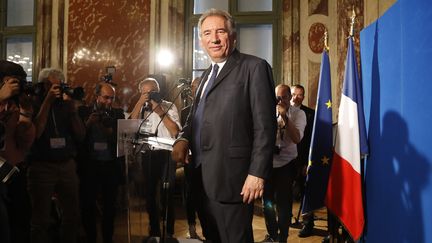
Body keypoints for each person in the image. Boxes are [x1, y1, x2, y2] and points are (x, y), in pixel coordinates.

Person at [171, 8, 277, 243]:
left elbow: (265, 127)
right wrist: (183, 138)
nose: (214, 39)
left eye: (220, 31)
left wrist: (257, 173)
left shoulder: (254, 68)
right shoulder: (206, 75)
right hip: (200, 178)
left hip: (234, 181)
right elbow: (195, 118)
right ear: (201, 41)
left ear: (233, 35)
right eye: (207, 33)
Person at [27, 68, 86, 243]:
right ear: (44, 85)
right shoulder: (33, 103)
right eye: (53, 86)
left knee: (72, 216)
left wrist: (73, 109)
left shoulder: (65, 105)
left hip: (66, 164)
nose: (57, 90)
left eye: (59, 86)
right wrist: (48, 101)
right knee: (41, 219)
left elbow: (81, 135)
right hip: (41, 166)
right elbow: (36, 132)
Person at [129, 77, 181, 238]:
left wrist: (159, 111)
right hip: (148, 154)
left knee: (167, 192)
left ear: (158, 91)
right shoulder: (141, 109)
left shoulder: (169, 106)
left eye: (153, 92)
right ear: (141, 93)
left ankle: (169, 231)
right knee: (150, 193)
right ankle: (154, 229)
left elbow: (175, 131)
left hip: (166, 154)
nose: (150, 96)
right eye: (146, 93)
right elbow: (130, 126)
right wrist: (139, 103)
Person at [78, 82, 125, 243]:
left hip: (110, 166)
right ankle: (90, 237)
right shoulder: (83, 111)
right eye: (105, 97)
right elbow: (78, 138)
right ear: (96, 96)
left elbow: (121, 140)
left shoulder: (118, 114)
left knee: (110, 207)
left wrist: (108, 130)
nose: (109, 102)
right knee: (88, 204)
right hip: (90, 166)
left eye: (112, 98)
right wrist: (89, 123)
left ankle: (108, 238)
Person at [261, 84, 306, 242]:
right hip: (268, 163)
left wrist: (285, 117)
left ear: (290, 97)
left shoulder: (299, 114)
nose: (280, 101)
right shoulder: (267, 112)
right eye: (277, 98)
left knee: (283, 204)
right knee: (266, 202)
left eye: (284, 97)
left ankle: (283, 237)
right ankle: (272, 234)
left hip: (286, 164)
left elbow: (297, 138)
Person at [0, 60, 35, 243]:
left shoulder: (14, 105)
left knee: (20, 222)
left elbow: (25, 141)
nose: (19, 86)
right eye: (15, 81)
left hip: (14, 170)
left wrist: (26, 114)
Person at [289, 84, 316, 237]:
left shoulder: (311, 114)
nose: (296, 97)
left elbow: (312, 141)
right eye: (293, 94)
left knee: (306, 192)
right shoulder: (279, 110)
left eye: (300, 95)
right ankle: (288, 219)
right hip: (284, 160)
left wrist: (307, 162)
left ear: (303, 97)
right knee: (287, 192)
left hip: (302, 160)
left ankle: (308, 224)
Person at [180, 77, 204, 239]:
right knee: (191, 193)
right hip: (191, 159)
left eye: (198, 86)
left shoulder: (213, 108)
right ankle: (191, 227)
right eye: (193, 87)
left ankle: (209, 227)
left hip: (209, 159)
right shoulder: (184, 111)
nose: (195, 90)